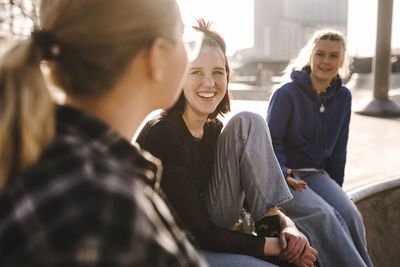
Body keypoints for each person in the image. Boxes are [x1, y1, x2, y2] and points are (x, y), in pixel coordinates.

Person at [0, 0, 208, 266]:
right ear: (155, 56)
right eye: (182, 38)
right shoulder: (101, 204)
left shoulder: (42, 151)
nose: (190, 52)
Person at [137, 19, 317, 267]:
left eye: (218, 72)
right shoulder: (164, 133)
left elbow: (247, 193)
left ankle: (272, 228)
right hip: (169, 249)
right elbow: (199, 233)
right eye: (196, 72)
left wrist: (289, 228)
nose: (209, 83)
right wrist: (274, 248)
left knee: (248, 121)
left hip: (208, 233)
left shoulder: (214, 129)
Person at [267, 29, 373, 267]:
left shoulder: (343, 97)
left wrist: (336, 189)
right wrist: (285, 173)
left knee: (350, 215)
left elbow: (338, 150)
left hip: (316, 175)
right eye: (320, 54)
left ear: (342, 61)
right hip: (285, 176)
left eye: (333, 56)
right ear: (310, 56)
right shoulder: (286, 93)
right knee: (325, 216)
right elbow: (270, 143)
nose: (326, 61)